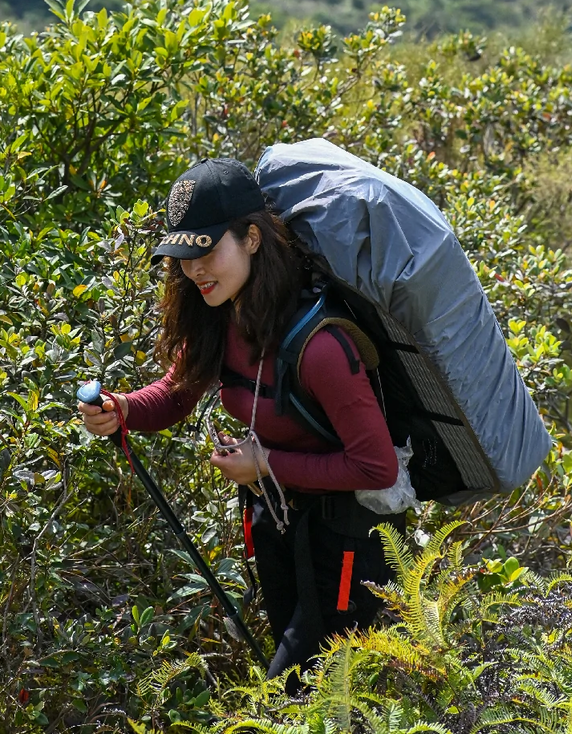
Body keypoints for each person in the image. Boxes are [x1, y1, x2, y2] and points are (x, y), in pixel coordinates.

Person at [79, 155, 402, 680]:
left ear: (252, 238)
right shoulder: (221, 318)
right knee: (307, 692)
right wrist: (123, 410)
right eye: (183, 255)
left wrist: (266, 463)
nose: (193, 269)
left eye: (206, 250)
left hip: (346, 546)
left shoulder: (321, 348)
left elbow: (377, 468)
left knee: (298, 693)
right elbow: (177, 393)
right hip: (278, 528)